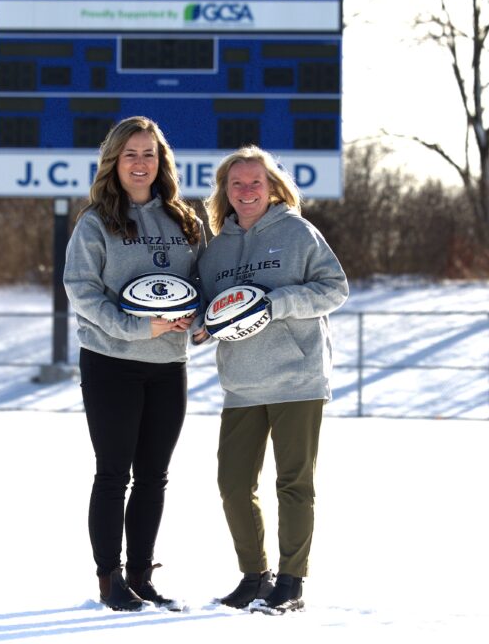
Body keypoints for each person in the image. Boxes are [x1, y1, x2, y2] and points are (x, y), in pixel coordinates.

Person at [193, 145, 348, 613]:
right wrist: (201, 323)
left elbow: (334, 289)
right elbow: (209, 307)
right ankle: (254, 576)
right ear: (225, 191)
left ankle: (291, 582)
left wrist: (276, 302)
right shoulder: (216, 249)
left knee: (293, 484)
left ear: (272, 186)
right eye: (236, 184)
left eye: (254, 182)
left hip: (296, 377)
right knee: (233, 484)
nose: (245, 191)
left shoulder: (298, 233)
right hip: (240, 382)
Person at [63, 116, 205, 612]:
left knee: (153, 476)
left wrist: (203, 319)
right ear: (114, 163)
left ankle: (142, 576)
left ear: (161, 162)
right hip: (111, 363)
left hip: (169, 364)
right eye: (131, 154)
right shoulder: (95, 221)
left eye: (149, 154)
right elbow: (81, 292)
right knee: (112, 474)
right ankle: (110, 580)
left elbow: (200, 286)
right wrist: (136, 328)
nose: (140, 163)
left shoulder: (186, 220)